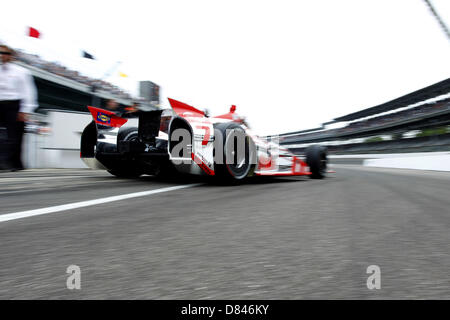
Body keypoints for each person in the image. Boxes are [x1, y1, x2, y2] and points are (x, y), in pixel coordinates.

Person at [0, 44, 38, 171]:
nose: (2, 55)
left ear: (11, 56)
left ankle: (12, 164)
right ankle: (7, 162)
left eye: (5, 53)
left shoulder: (21, 72)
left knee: (14, 136)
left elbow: (29, 92)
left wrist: (25, 110)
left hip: (14, 105)